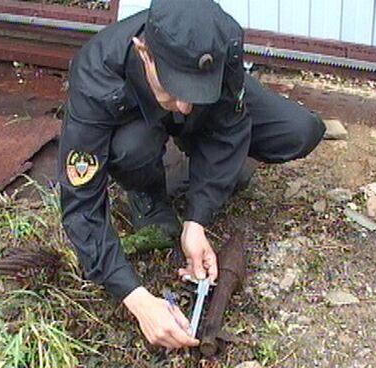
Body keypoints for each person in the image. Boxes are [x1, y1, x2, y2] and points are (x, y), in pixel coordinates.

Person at [58, 0, 326, 350]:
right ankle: (147, 191)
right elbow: (81, 208)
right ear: (144, 54)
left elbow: (230, 123)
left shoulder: (223, 40)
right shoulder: (96, 75)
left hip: (209, 113)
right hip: (136, 127)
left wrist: (196, 220)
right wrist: (137, 298)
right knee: (131, 148)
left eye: (194, 92)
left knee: (300, 130)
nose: (185, 105)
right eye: (173, 89)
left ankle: (204, 170)